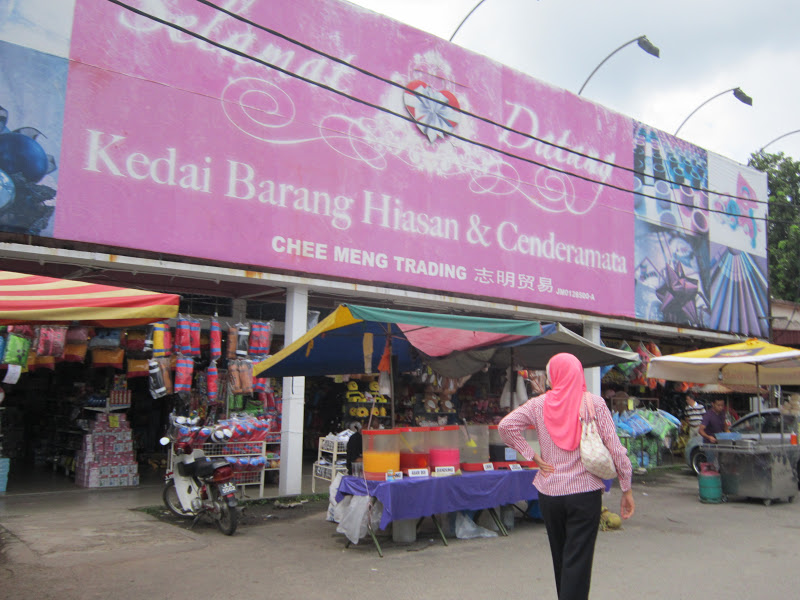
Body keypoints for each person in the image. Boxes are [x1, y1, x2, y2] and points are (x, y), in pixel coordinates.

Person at [499, 353, 634, 600]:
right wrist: (626, 487)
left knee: (561, 559)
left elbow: (505, 426)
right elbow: (616, 448)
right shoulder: (593, 403)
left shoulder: (538, 404)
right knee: (578, 563)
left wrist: (532, 454)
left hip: (550, 494)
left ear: (554, 376)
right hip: (584, 495)